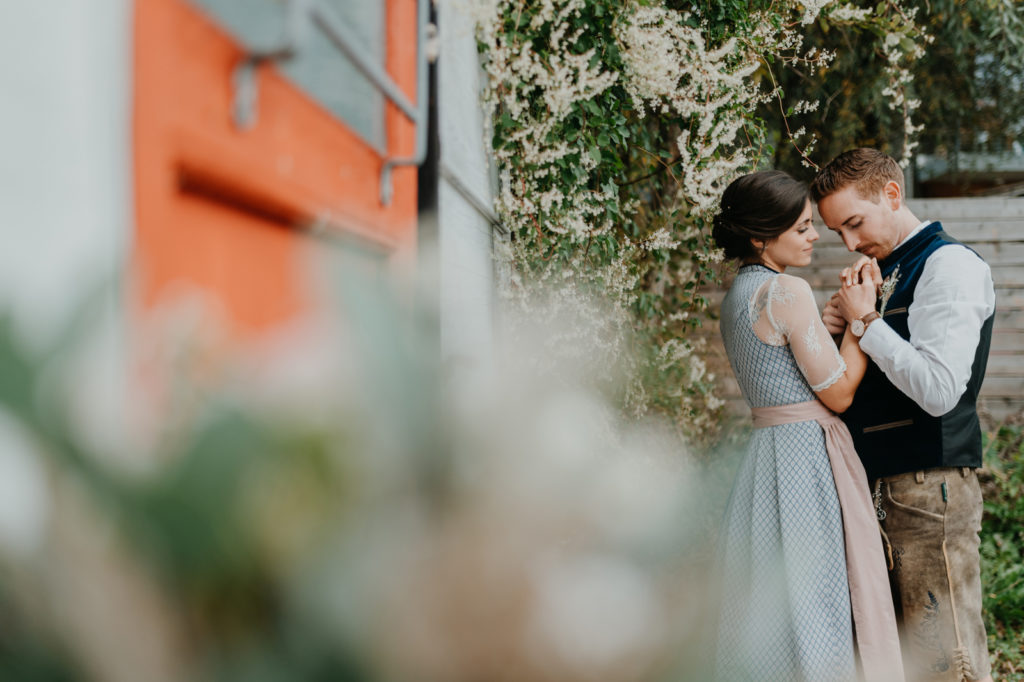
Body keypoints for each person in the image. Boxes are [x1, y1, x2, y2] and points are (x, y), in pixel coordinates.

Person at [713, 170, 904, 681]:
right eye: (801, 228)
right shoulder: (785, 291)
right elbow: (838, 394)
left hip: (764, 459)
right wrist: (863, 319)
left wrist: (834, 322)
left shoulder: (736, 296)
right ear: (760, 238)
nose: (816, 236)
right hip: (803, 459)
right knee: (818, 594)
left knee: (776, 598)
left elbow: (785, 368)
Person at [813, 148, 996, 682]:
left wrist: (867, 321)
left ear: (892, 195)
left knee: (946, 660)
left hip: (928, 490)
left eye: (853, 223)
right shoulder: (879, 272)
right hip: (873, 488)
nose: (848, 243)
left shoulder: (949, 265)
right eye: (836, 233)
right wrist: (837, 329)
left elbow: (939, 391)